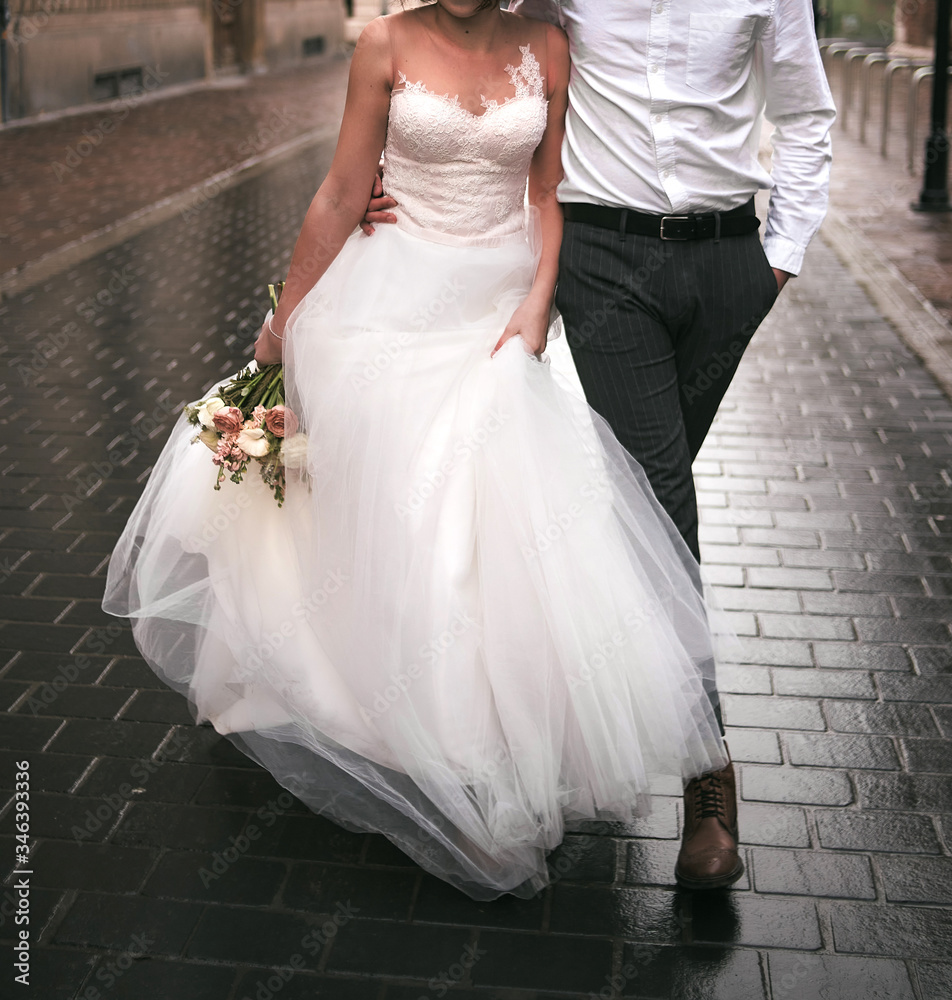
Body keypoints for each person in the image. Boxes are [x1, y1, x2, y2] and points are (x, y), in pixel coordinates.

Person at [103, 0, 731, 900]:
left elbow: (548, 194)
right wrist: (282, 325)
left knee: (506, 516)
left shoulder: (549, 47)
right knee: (415, 514)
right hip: (391, 300)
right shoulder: (384, 42)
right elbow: (338, 190)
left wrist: (537, 307)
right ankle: (447, 771)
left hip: (496, 305)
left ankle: (495, 759)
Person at [364, 0, 836, 890]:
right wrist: (398, 180)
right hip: (606, 264)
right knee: (659, 491)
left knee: (632, 510)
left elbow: (806, 113)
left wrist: (781, 256)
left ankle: (566, 703)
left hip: (730, 262)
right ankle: (708, 777)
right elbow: (481, 43)